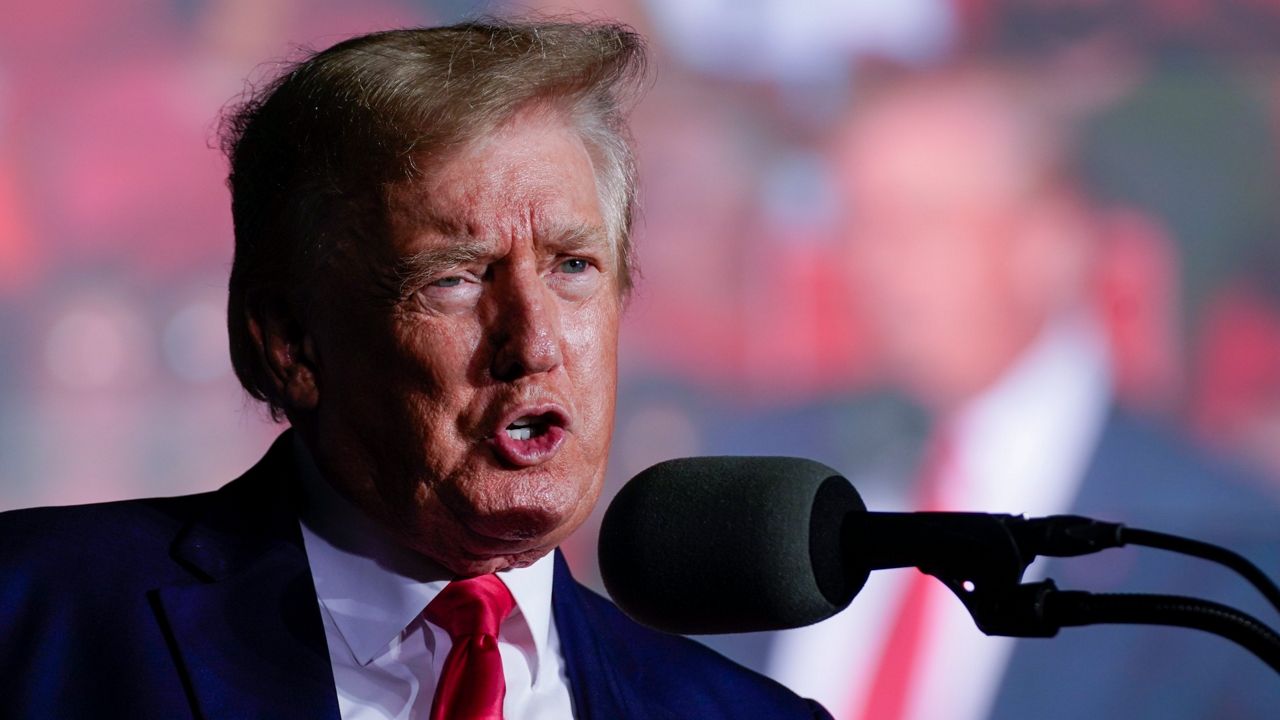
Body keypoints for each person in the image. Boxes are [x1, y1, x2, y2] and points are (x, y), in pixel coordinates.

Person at [0, 21, 831, 720]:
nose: (534, 342)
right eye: (456, 278)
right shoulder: (35, 617)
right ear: (290, 342)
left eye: (573, 267)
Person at [755, 66, 1280, 719]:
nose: (870, 261)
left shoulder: (1211, 539)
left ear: (1053, 243)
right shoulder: (765, 473)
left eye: (917, 222)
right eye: (856, 223)